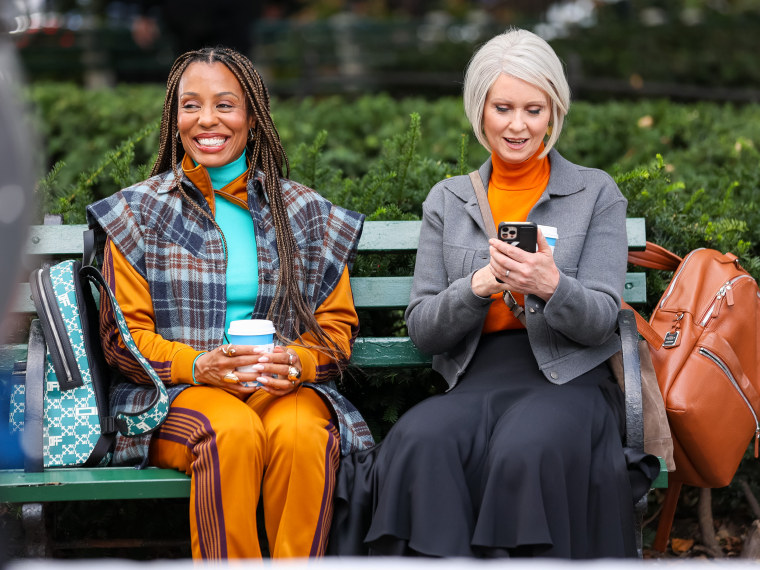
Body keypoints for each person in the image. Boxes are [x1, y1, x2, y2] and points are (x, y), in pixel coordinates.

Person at [331, 28, 659, 559]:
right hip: (478, 378)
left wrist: (550, 285)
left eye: (534, 109)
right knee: (422, 441)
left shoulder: (595, 192)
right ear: (479, 109)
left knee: (525, 448)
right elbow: (423, 327)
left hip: (569, 382)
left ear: (554, 112)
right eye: (503, 107)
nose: (518, 125)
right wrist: (479, 286)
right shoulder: (449, 199)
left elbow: (602, 319)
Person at [86, 46, 373, 560]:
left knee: (305, 432)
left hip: (279, 386)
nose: (207, 120)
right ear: (175, 120)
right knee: (230, 431)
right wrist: (199, 365)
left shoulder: (302, 212)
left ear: (253, 118)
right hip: (174, 397)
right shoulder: (138, 213)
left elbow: (335, 329)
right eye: (190, 105)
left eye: (225, 104)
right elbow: (122, 340)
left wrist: (298, 362)